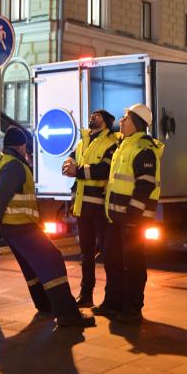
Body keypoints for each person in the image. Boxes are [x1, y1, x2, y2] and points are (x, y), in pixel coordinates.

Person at [0, 126, 95, 328]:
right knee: (52, 259)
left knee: (32, 266)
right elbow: (1, 196)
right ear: (21, 146)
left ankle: (45, 304)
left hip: (13, 227)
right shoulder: (16, 167)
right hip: (21, 225)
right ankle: (67, 314)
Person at [93, 103, 164, 323]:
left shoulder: (143, 149)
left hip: (133, 220)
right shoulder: (123, 145)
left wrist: (132, 217)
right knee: (112, 260)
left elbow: (145, 186)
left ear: (137, 123)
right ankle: (113, 303)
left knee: (133, 263)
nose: (121, 121)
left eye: (126, 118)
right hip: (116, 218)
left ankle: (133, 308)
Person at [62, 109, 117, 308]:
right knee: (86, 254)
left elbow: (105, 169)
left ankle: (111, 297)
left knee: (107, 252)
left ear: (106, 122)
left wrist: (77, 171)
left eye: (97, 115)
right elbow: (72, 158)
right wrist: (68, 163)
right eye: (92, 115)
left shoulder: (112, 143)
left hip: (100, 208)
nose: (92, 117)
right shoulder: (82, 141)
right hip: (82, 207)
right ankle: (86, 295)